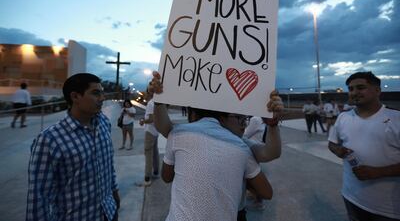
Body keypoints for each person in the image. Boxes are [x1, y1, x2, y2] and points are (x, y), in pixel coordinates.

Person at [148, 72, 282, 220]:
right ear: (222, 117)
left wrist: (273, 125)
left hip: (236, 211)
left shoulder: (242, 143)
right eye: (238, 118)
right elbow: (165, 127)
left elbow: (271, 152)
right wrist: (159, 101)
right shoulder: (234, 144)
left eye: (245, 119)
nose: (243, 125)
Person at [26, 73, 120, 221]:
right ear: (75, 97)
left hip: (108, 212)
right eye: (96, 93)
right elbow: (39, 197)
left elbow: (108, 164)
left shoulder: (103, 123)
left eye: (102, 93)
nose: (102, 98)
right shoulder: (49, 140)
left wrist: (114, 194)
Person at [328, 71, 400, 221]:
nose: (354, 92)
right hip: (351, 197)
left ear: (377, 90)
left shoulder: (396, 119)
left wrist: (379, 172)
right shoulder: (343, 117)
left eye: (360, 87)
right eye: (351, 89)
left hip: (388, 209)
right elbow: (332, 143)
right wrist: (338, 150)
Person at [137, 89, 159, 186]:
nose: (144, 94)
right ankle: (156, 172)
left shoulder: (150, 103)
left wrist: (142, 121)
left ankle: (147, 178)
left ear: (149, 93)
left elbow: (151, 119)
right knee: (155, 153)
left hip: (150, 131)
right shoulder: (157, 102)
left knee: (148, 154)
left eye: (145, 92)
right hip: (155, 131)